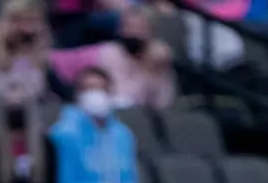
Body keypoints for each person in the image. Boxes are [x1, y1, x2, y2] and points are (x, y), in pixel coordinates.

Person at [49, 7, 177, 110]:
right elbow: (124, 99)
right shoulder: (109, 53)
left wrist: (155, 71)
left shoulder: (158, 60)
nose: (130, 33)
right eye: (127, 27)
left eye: (138, 28)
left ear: (151, 32)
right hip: (104, 115)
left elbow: (164, 104)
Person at [48, 66, 141, 183]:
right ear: (78, 95)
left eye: (101, 89)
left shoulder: (123, 134)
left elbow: (131, 182)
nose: (96, 94)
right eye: (89, 89)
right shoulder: (65, 134)